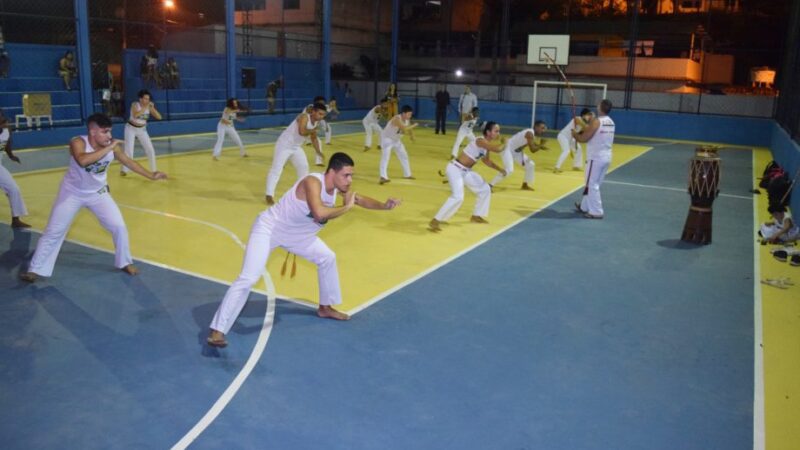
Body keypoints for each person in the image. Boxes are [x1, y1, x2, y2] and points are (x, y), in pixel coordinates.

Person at [207, 152, 402, 347]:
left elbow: (359, 200)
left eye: (351, 176)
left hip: (298, 236)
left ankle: (325, 308)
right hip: (269, 229)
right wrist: (346, 208)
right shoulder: (312, 182)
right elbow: (319, 212)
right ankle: (217, 330)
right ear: (332, 172)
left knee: (327, 257)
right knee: (249, 277)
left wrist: (384, 206)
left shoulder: (337, 188)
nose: (350, 180)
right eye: (346, 175)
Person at [19, 113, 167, 283]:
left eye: (110, 131)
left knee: (119, 226)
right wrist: (109, 148)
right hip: (72, 193)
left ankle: (124, 262)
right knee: (54, 231)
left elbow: (129, 162)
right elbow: (83, 161)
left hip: (98, 194)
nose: (109, 136)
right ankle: (35, 269)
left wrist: (150, 175)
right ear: (93, 132)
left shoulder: (111, 146)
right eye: (105, 132)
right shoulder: (78, 142)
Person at [429, 121, 506, 232]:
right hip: (455, 169)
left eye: (499, 131)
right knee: (458, 196)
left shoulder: (486, 146)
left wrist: (500, 169)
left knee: (485, 189)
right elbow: (498, 149)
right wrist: (505, 142)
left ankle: (476, 215)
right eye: (496, 131)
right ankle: (435, 220)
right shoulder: (480, 140)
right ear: (488, 132)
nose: (498, 133)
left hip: (465, 171)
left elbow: (487, 161)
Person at [265, 103, 327, 205]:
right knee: (276, 169)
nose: (321, 117)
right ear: (313, 111)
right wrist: (313, 130)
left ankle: (301, 192)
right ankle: (269, 195)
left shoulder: (315, 123)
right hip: (284, 145)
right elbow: (302, 132)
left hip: (296, 147)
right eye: (320, 114)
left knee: (303, 167)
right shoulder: (304, 117)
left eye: (323, 115)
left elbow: (314, 138)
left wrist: (318, 152)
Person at [573, 99, 615, 219]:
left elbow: (584, 138)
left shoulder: (597, 121)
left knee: (591, 184)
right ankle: (585, 206)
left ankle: (596, 211)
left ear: (600, 107)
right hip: (607, 156)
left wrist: (575, 135)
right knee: (594, 184)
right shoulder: (611, 122)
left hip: (595, 158)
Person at [489, 120, 548, 190]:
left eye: (544, 128)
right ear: (536, 127)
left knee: (531, 165)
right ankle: (490, 185)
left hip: (516, 152)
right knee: (509, 170)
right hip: (507, 149)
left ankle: (525, 185)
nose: (543, 130)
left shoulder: (532, 134)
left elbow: (532, 143)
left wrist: (540, 146)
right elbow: (533, 150)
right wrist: (541, 145)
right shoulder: (529, 133)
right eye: (542, 128)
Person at [121, 89, 162, 176]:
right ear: (140, 99)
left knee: (150, 149)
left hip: (142, 130)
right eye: (145, 99)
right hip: (130, 129)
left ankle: (154, 170)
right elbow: (136, 115)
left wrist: (153, 108)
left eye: (148, 99)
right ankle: (125, 170)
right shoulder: (135, 105)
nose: (147, 101)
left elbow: (159, 117)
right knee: (129, 150)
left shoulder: (149, 107)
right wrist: (146, 107)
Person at [0, 110, 30, 228]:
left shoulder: (7, 130)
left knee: (14, 189)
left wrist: (11, 155)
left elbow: (6, 143)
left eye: (2, 117)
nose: (3, 121)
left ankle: (16, 219)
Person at [379, 105, 417, 184]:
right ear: (403, 113)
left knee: (404, 156)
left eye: (411, 114)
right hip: (387, 139)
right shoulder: (397, 119)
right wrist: (414, 125)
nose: (410, 116)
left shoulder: (407, 120)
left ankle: (407, 174)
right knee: (385, 157)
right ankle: (383, 177)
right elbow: (405, 128)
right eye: (409, 114)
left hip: (396, 140)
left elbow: (409, 128)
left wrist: (412, 136)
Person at [554, 109, 593, 173]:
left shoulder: (584, 124)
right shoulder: (578, 118)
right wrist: (588, 126)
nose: (589, 117)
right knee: (566, 150)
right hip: (563, 136)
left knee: (579, 149)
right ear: (583, 115)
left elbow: (581, 133)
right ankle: (557, 167)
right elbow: (585, 126)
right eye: (588, 115)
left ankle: (576, 166)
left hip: (571, 138)